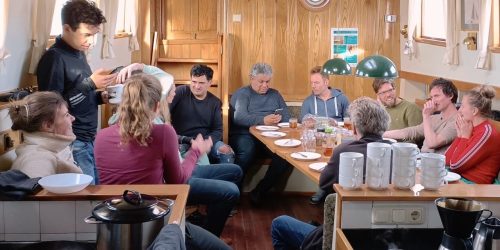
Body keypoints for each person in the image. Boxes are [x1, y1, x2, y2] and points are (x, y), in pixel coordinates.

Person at [99, 69, 240, 238]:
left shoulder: (100, 136)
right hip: (152, 207)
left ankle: (198, 226)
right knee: (230, 191)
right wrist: (196, 151)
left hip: (113, 213)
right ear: (158, 104)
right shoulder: (163, 132)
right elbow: (178, 181)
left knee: (234, 171)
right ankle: (200, 236)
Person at [271, 97, 391, 250]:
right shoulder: (397, 152)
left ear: (354, 128)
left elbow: (325, 184)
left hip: (342, 236)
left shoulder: (345, 151)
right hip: (384, 237)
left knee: (279, 224)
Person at [36, 0, 115, 184]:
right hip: (72, 143)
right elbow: (52, 107)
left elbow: (78, 96)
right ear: (67, 28)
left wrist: (100, 96)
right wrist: (89, 84)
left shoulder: (78, 53)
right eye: (86, 34)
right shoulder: (54, 58)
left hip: (89, 139)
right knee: (86, 200)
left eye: (94, 35)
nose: (90, 41)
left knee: (95, 194)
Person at [229, 62, 292, 204]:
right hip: (244, 135)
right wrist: (263, 120)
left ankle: (259, 192)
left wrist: (279, 119)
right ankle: (232, 196)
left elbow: (287, 116)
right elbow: (239, 118)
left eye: (267, 82)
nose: (265, 85)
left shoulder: (275, 94)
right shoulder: (242, 94)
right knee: (246, 153)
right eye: (261, 81)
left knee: (285, 157)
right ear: (251, 78)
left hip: (271, 136)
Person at [170, 64, 235, 164]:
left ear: (210, 82)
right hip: (181, 140)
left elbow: (218, 130)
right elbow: (163, 114)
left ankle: (221, 178)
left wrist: (206, 142)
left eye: (201, 83)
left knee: (227, 151)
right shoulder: (181, 91)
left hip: (204, 141)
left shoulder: (215, 102)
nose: (196, 86)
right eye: (194, 82)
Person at [9, 92, 82, 178]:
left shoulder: (58, 149)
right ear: (48, 125)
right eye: (66, 115)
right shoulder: (36, 162)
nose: (73, 118)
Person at [383, 78, 458, 154]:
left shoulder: (457, 121)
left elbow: (432, 143)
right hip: (420, 159)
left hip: (434, 163)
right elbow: (410, 132)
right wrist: (381, 134)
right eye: (432, 97)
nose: (433, 101)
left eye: (437, 96)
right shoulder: (433, 118)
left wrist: (426, 116)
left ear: (450, 95)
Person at [445, 86, 500, 184]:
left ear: (474, 111)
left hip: (474, 187)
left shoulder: (486, 133)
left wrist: (464, 137)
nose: (459, 110)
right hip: (460, 180)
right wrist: (460, 136)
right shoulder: (469, 128)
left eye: (462, 106)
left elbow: (455, 165)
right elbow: (446, 160)